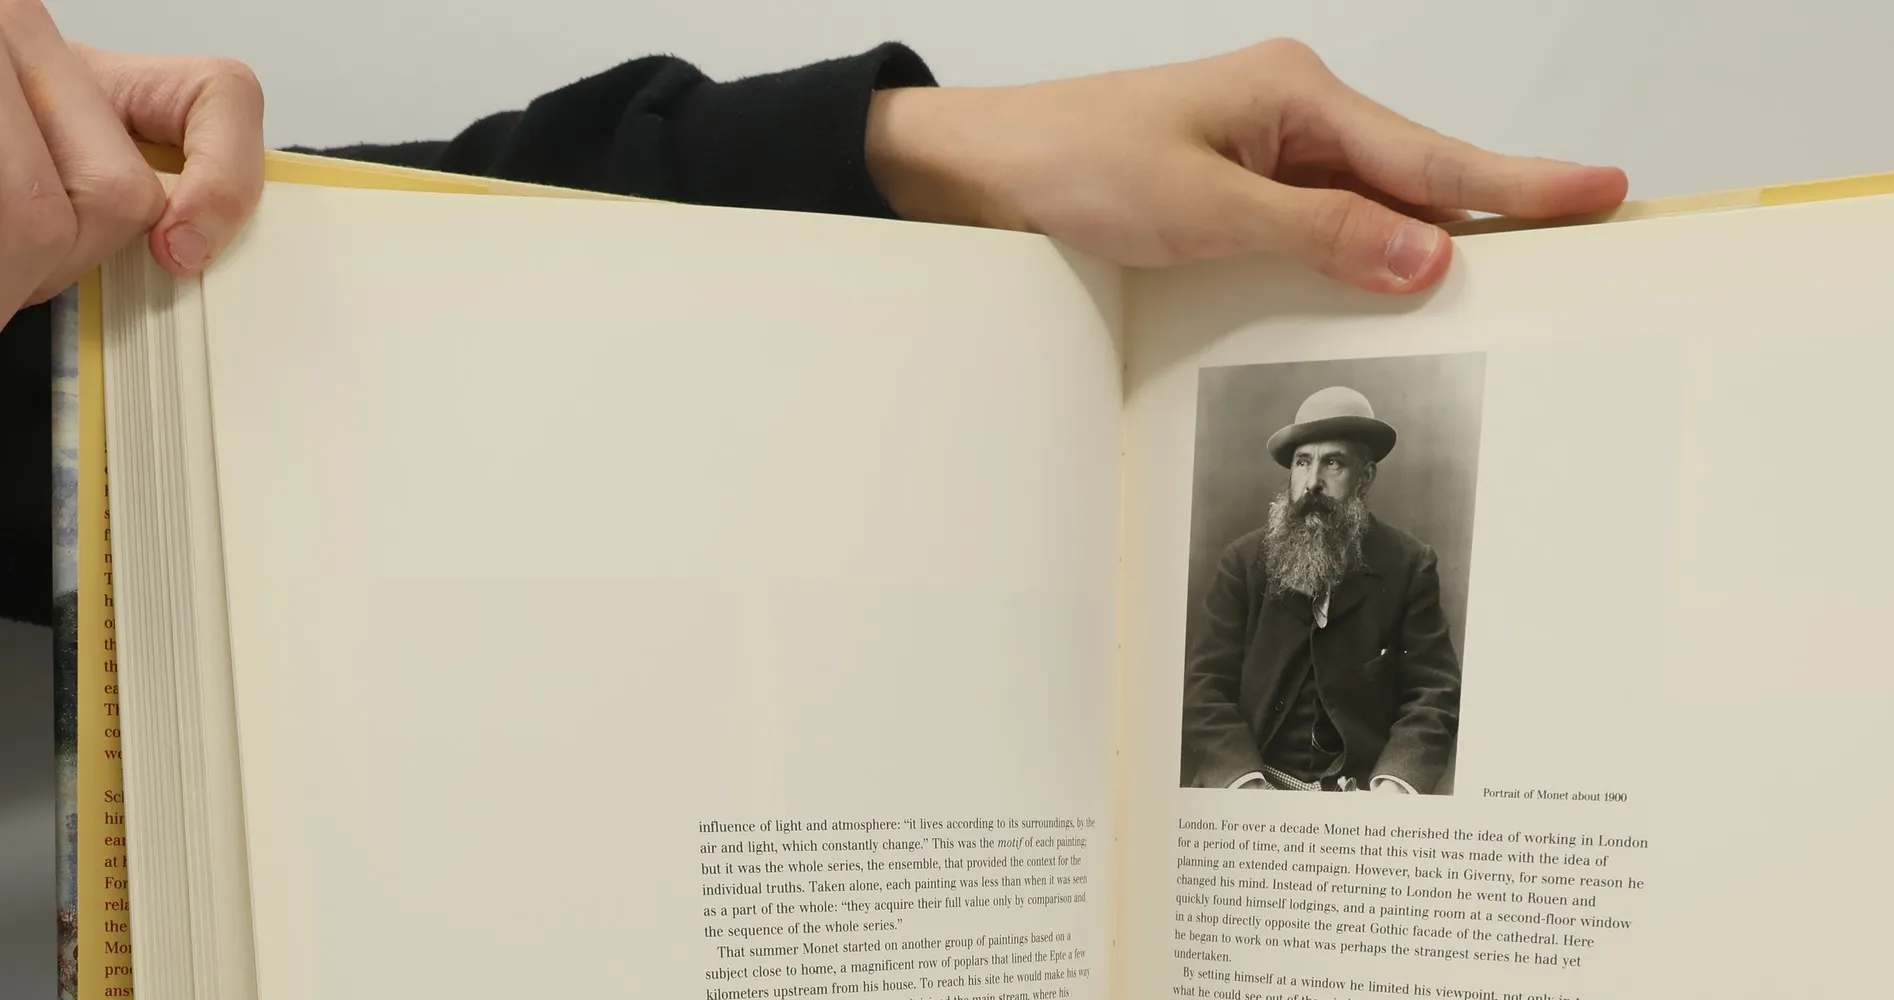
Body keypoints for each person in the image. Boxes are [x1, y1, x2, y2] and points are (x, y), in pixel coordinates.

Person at [0, 18, 1628, 626]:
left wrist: (912, 147)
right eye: (1311, 459)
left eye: (1344, 459)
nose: (1324, 479)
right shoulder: (1236, 572)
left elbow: (430, 294)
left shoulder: (1415, 578)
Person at [1182, 386, 1460, 792]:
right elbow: (1205, 686)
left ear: (1365, 477)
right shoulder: (1242, 563)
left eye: (1333, 463)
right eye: (1302, 462)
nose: (1312, 482)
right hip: (1253, 784)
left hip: (1360, 796)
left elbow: (1433, 693)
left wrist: (1395, 784)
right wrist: (1243, 781)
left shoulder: (1409, 564)